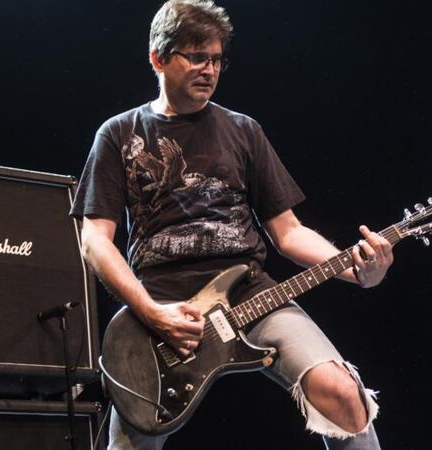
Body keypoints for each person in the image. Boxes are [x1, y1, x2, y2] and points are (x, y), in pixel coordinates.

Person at [70, 1, 392, 448]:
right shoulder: (119, 134)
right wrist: (150, 312)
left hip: (251, 293)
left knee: (343, 394)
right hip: (160, 307)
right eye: (196, 57)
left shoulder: (243, 130)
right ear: (158, 58)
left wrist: (356, 270)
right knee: (130, 442)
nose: (209, 69)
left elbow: (289, 232)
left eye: (217, 59)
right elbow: (95, 241)